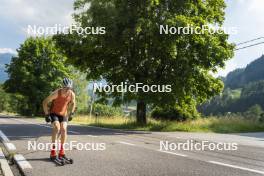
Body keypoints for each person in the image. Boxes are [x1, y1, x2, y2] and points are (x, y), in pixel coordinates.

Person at [42, 78, 76, 160]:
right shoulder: (57, 93)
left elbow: (74, 103)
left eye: (69, 88)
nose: (67, 89)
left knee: (64, 129)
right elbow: (45, 102)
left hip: (63, 114)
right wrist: (47, 115)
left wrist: (71, 113)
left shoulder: (71, 94)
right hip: (54, 113)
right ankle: (53, 151)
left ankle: (61, 151)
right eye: (65, 87)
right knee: (57, 127)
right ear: (62, 86)